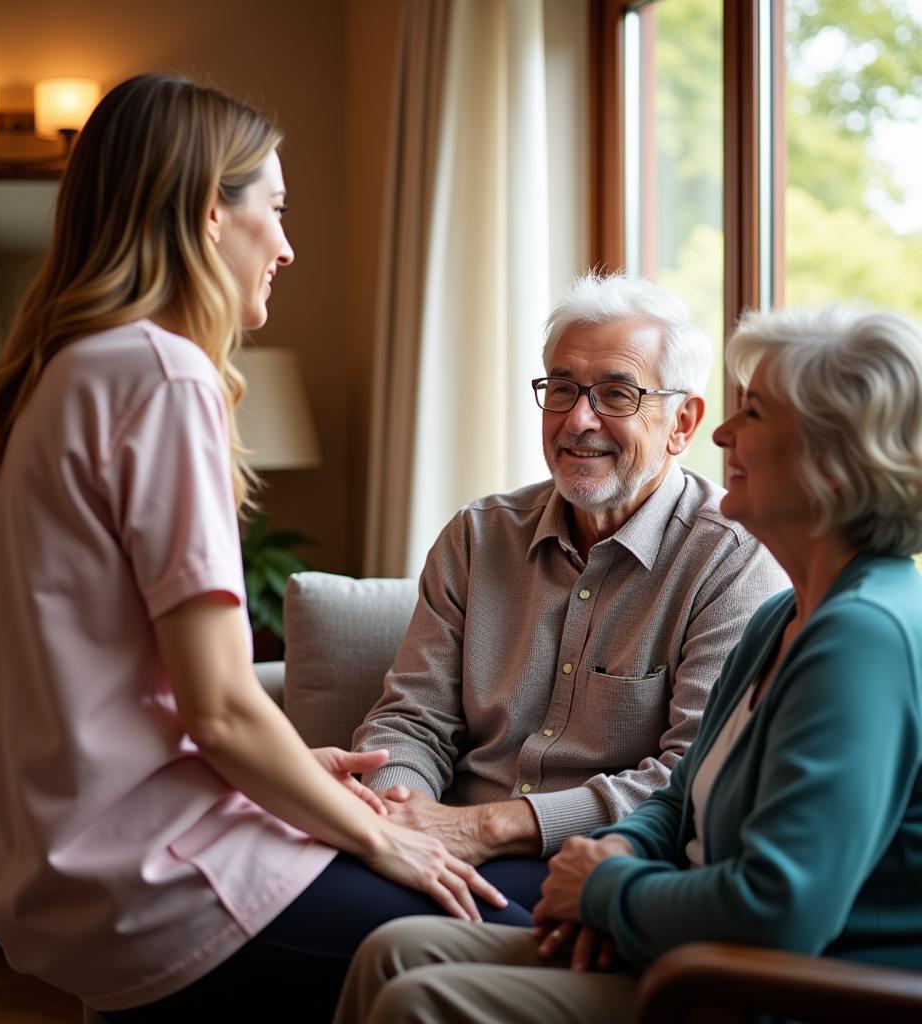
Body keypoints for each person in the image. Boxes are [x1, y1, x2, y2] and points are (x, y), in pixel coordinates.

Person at [0, 72, 513, 1023]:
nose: (288, 246)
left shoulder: (43, 385)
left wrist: (300, 779)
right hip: (161, 880)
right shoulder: (160, 374)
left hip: (55, 875)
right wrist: (380, 840)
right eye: (276, 208)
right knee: (530, 934)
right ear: (210, 213)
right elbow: (220, 705)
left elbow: (130, 691)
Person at [334, 302, 922, 1024]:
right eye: (562, 388)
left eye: (756, 415)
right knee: (392, 951)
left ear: (831, 464)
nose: (723, 434)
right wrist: (607, 853)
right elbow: (683, 802)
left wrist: (603, 887)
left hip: (771, 986)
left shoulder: (859, 636)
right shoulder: (788, 616)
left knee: (417, 990)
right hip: (661, 918)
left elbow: (779, 907)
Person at [352, 272, 787, 913]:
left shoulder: (733, 560)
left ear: (682, 421)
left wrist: (488, 828)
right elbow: (410, 720)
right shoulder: (478, 536)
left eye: (616, 394)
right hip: (435, 845)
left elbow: (691, 777)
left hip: (594, 872)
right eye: (562, 388)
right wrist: (398, 818)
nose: (579, 420)